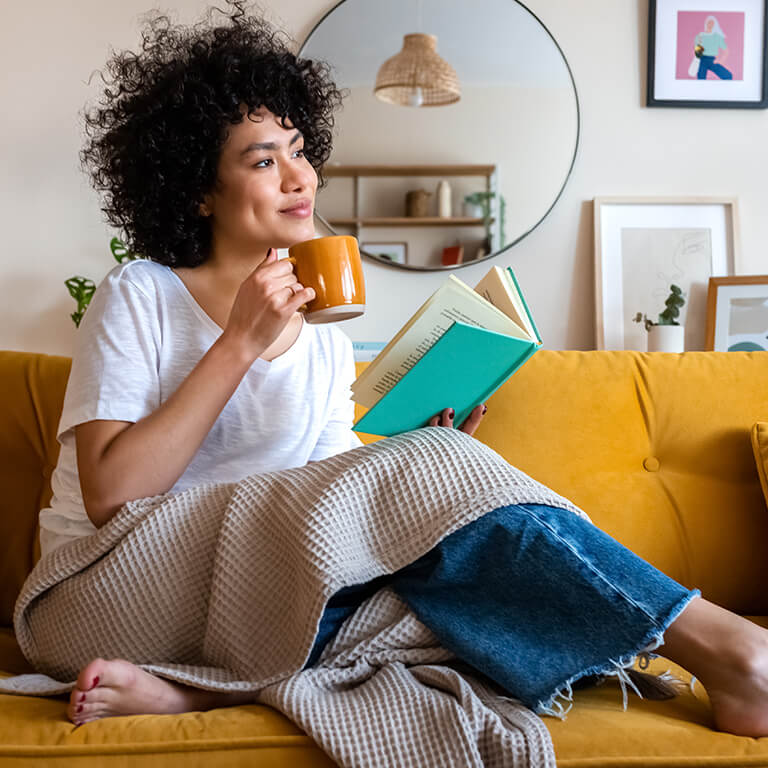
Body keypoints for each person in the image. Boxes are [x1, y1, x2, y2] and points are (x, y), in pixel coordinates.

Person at [34, 2, 768, 738]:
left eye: (298, 150)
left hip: (244, 599)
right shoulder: (142, 294)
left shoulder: (321, 335)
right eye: (262, 161)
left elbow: (324, 521)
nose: (298, 178)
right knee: (443, 551)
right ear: (198, 189)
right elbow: (111, 496)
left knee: (452, 595)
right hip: (102, 592)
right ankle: (735, 651)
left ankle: (200, 690)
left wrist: (431, 461)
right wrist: (238, 345)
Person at [695, 15, 733, 80]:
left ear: (715, 25)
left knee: (728, 76)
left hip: (712, 60)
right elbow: (698, 53)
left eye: (712, 23)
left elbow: (726, 51)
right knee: (700, 79)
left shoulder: (717, 37)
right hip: (702, 59)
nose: (710, 24)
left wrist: (720, 61)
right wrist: (699, 44)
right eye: (709, 22)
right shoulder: (700, 36)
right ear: (706, 23)